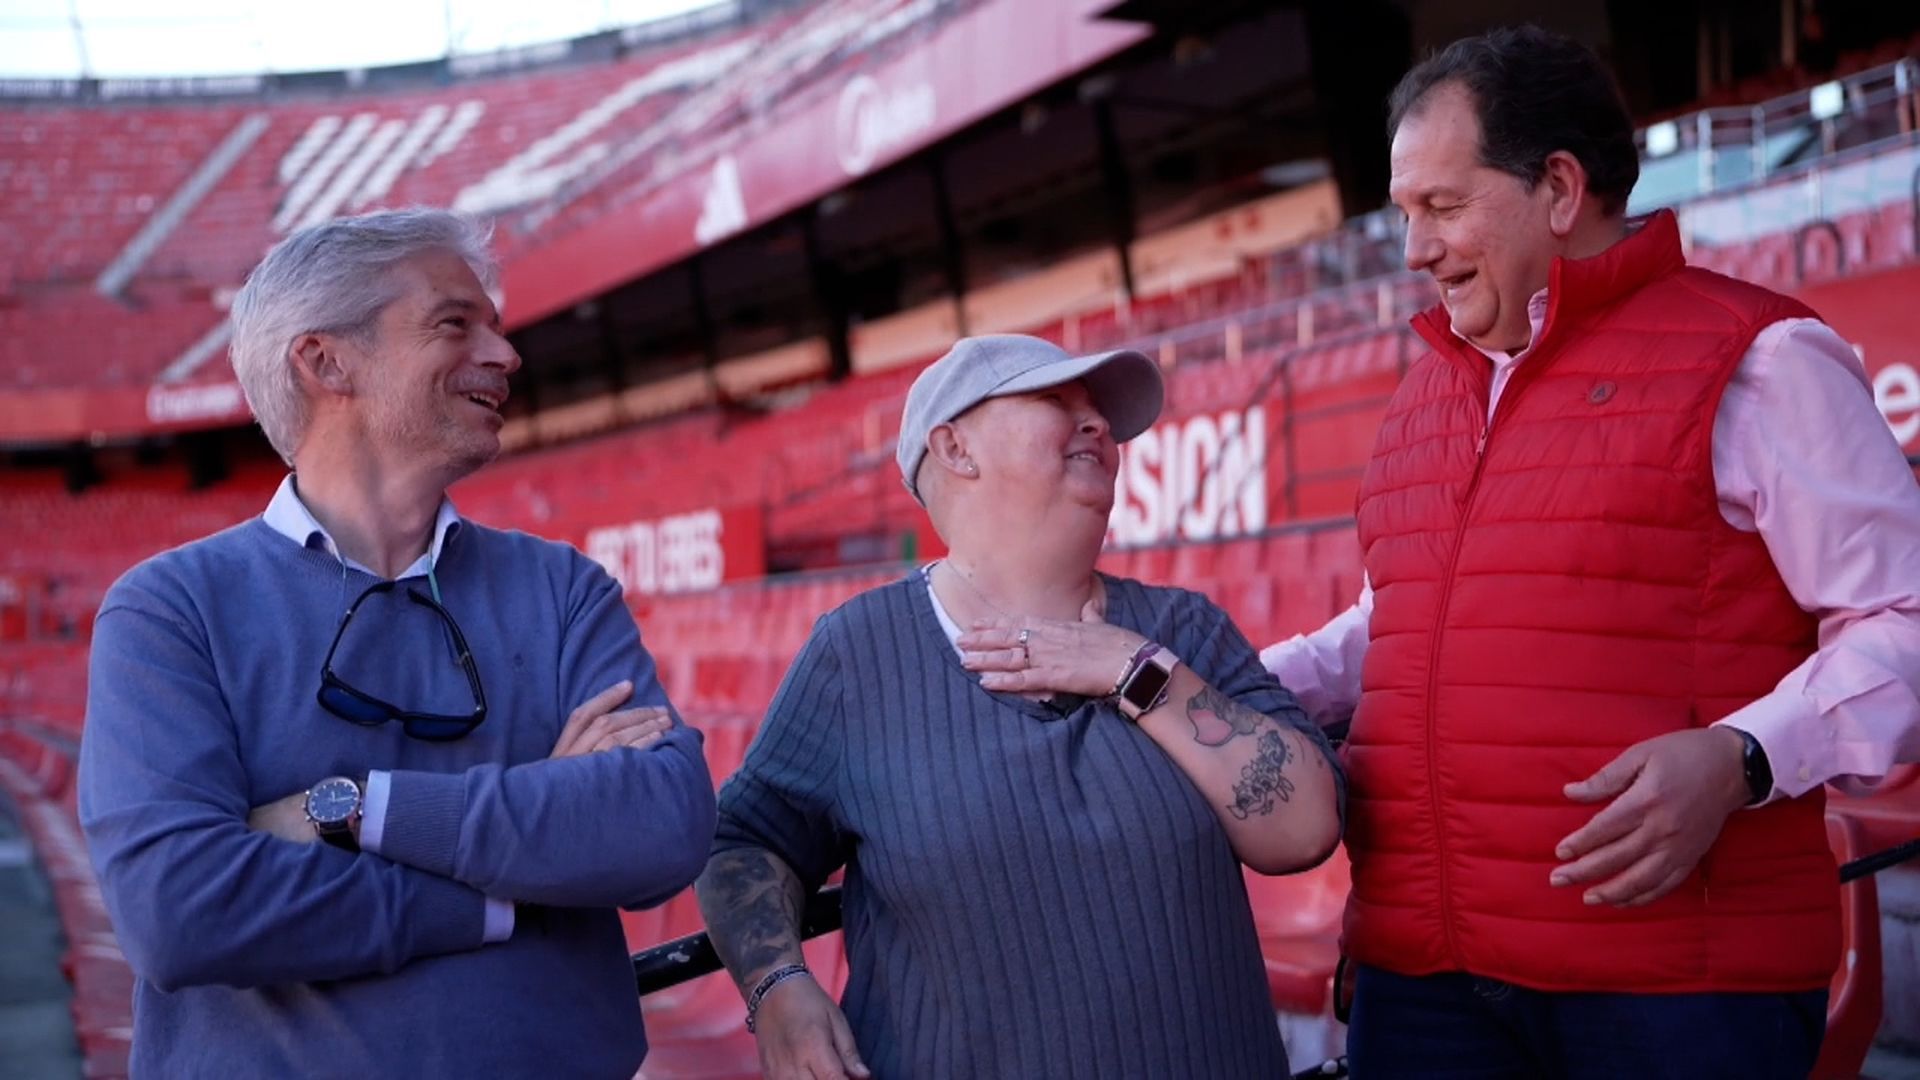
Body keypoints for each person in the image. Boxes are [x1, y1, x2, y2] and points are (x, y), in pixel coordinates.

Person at [1263, 25, 1920, 1079]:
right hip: (1421, 980)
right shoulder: (1425, 391)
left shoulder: (1762, 360)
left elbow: (1904, 617)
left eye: (1443, 206)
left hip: (1673, 996)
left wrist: (1744, 759)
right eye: (1403, 213)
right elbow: (1403, 620)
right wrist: (1232, 684)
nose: (1415, 249)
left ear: (1561, 190)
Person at [78, 209, 718, 1077]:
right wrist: (511, 880)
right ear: (326, 362)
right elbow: (181, 912)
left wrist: (351, 810)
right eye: (455, 323)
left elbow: (659, 826)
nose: (505, 353)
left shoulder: (564, 588)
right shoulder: (167, 611)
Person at [694, 334, 1345, 1079]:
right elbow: (742, 841)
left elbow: (1305, 830)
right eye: (1057, 400)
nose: (1097, 423)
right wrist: (778, 987)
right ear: (955, 448)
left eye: (1099, 413)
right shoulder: (858, 654)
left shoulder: (1183, 629)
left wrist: (1134, 672)